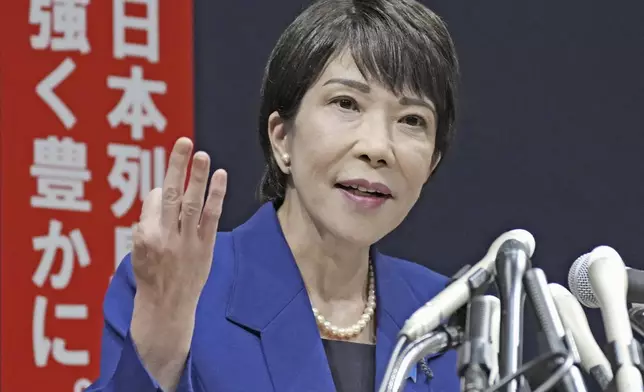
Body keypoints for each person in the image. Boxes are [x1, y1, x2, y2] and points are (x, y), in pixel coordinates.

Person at [87, 0, 459, 390]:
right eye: (346, 103)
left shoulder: (448, 313)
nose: (378, 147)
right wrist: (161, 341)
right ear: (282, 137)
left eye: (412, 120)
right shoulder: (186, 284)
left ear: (432, 162)